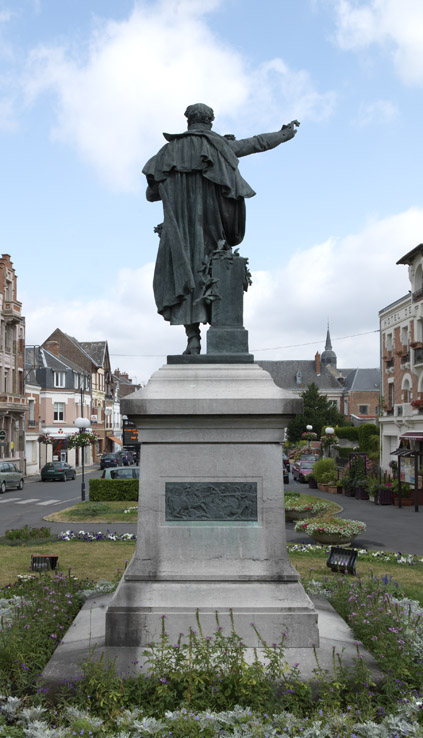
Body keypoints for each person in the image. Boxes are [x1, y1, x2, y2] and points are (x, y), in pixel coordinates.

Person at [143, 103, 299, 354]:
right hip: (211, 228)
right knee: (214, 273)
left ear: (188, 121)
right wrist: (283, 135)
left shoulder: (165, 153)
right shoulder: (217, 146)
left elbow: (152, 193)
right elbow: (255, 143)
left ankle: (193, 338)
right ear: (210, 122)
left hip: (180, 232)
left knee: (185, 279)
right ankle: (222, 334)